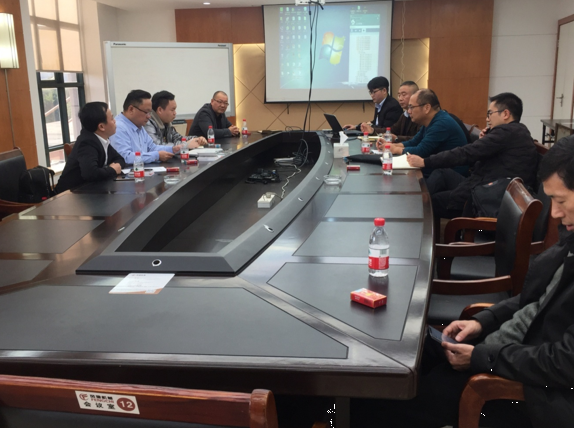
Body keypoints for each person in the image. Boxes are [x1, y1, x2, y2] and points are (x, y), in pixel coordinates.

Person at [351, 136, 574, 428]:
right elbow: (534, 300)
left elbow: (564, 364)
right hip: (506, 351)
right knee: (408, 354)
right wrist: (482, 322)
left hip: (523, 390)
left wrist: (482, 357)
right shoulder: (570, 240)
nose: (554, 213)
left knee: (381, 403)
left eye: (560, 201)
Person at [407, 92, 539, 219]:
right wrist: (484, 141)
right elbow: (480, 161)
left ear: (505, 114)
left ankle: (411, 209)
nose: (487, 119)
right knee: (441, 173)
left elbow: (466, 153)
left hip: (487, 197)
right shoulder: (517, 132)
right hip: (485, 185)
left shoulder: (506, 133)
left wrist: (425, 162)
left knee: (431, 201)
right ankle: (413, 202)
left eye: (490, 113)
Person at [380, 89, 468, 177]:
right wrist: (391, 146)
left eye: (411, 107)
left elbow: (421, 151)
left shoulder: (441, 124)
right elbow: (414, 142)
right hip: (436, 170)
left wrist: (395, 149)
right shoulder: (430, 121)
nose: (409, 111)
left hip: (449, 176)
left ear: (427, 108)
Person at [55, 102, 125, 194]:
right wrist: (112, 170)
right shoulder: (87, 142)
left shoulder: (101, 139)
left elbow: (120, 159)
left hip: (90, 191)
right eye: (112, 118)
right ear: (101, 126)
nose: (115, 121)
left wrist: (111, 168)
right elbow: (90, 173)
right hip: (70, 195)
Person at [110, 90, 184, 164]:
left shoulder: (139, 125)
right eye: (146, 112)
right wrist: (157, 156)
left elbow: (152, 147)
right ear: (131, 109)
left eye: (150, 112)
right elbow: (125, 157)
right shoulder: (118, 127)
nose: (149, 116)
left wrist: (172, 149)